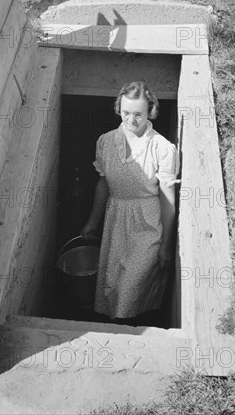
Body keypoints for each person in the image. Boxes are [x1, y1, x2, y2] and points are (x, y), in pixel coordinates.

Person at [81, 81, 180, 321]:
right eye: (126, 113)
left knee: (128, 289)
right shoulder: (105, 141)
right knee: (112, 286)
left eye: (138, 114)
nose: (131, 119)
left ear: (151, 112)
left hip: (148, 225)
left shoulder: (162, 148)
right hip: (116, 220)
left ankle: (126, 331)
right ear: (118, 109)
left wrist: (167, 244)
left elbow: (167, 198)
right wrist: (92, 221)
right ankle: (117, 332)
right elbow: (104, 184)